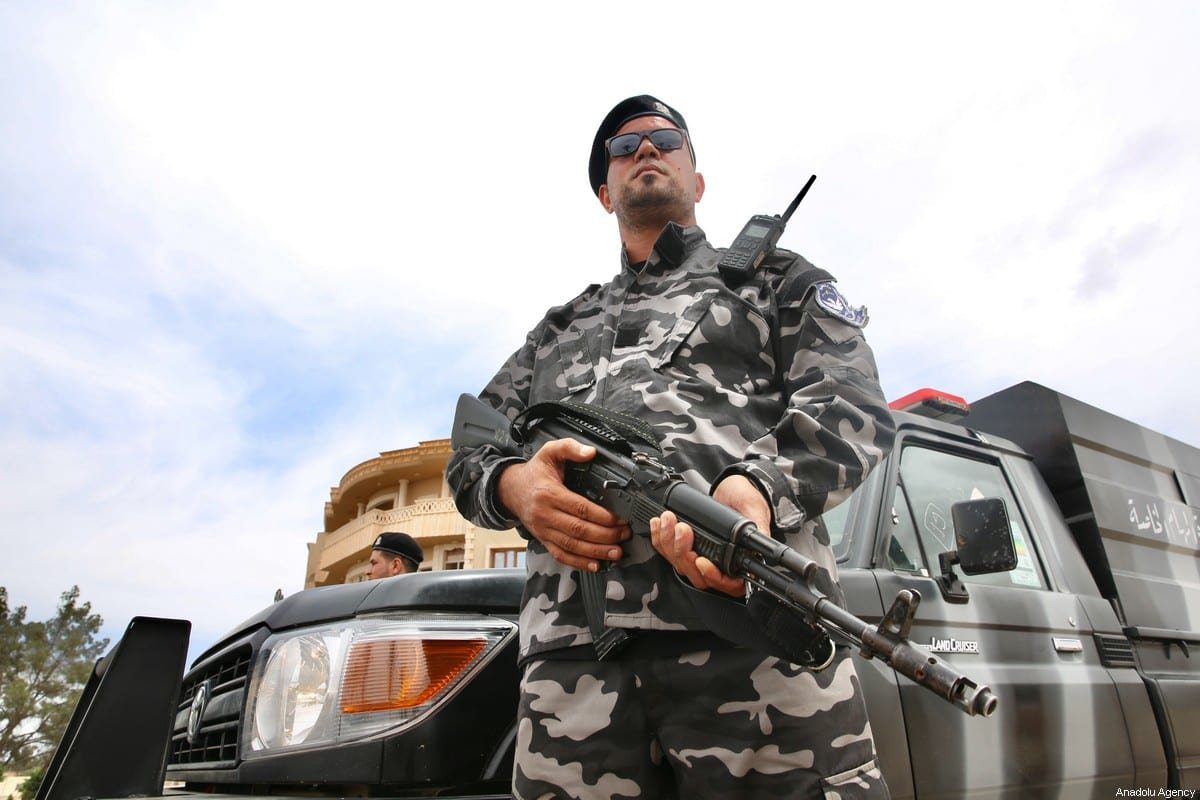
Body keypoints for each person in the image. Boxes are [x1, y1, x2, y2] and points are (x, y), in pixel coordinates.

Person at [447, 95, 895, 799]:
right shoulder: (557, 330)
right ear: (605, 193)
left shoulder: (777, 281)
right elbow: (472, 444)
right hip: (574, 670)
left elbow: (850, 406)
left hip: (754, 636)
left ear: (698, 178)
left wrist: (759, 488)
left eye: (664, 139)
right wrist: (514, 487)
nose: (646, 150)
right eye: (624, 148)